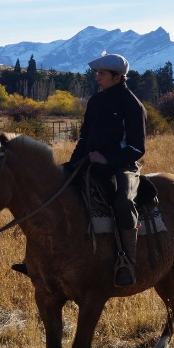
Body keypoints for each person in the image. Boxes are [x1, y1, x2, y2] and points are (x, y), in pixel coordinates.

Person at [12, 53, 146, 286]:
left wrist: (107, 159)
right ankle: (36, 260)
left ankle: (127, 261)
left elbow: (136, 148)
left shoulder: (133, 106)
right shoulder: (96, 102)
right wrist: (71, 167)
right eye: (97, 74)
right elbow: (84, 138)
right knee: (50, 193)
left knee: (124, 202)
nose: (97, 78)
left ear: (117, 77)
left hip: (123, 166)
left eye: (102, 74)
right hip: (88, 163)